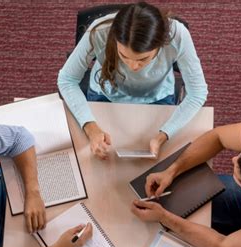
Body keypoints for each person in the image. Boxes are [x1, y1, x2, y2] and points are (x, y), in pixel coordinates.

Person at [58, 2, 208, 160]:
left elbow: (198, 93)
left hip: (158, 96)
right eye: (124, 56)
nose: (133, 66)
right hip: (105, 93)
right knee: (92, 158)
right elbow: (67, 79)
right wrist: (91, 127)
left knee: (158, 161)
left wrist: (163, 135)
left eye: (143, 59)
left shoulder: (178, 35)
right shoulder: (99, 31)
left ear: (161, 43)